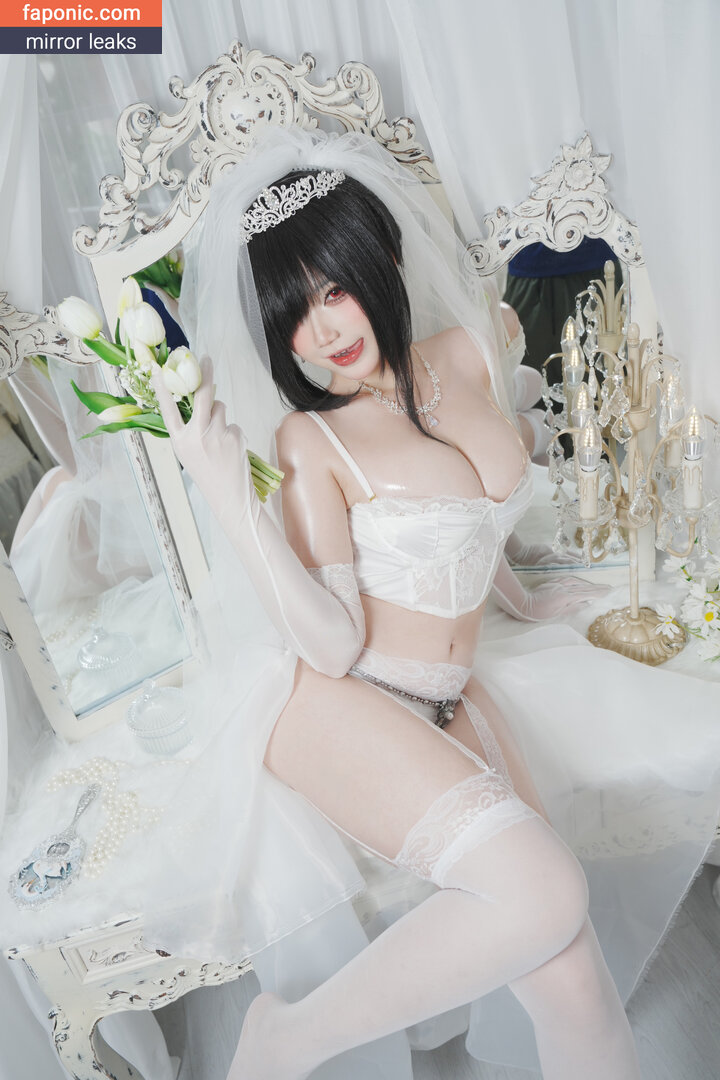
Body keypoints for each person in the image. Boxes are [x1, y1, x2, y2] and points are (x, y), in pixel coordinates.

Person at [149, 127, 649, 1080]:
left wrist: (524, 598)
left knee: (578, 983)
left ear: (377, 255)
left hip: (448, 699)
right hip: (346, 700)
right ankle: (284, 1040)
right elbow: (334, 645)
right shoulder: (312, 440)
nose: (322, 332)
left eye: (333, 289)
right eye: (294, 314)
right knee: (549, 892)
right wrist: (229, 499)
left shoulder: (465, 356)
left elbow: (470, 523)